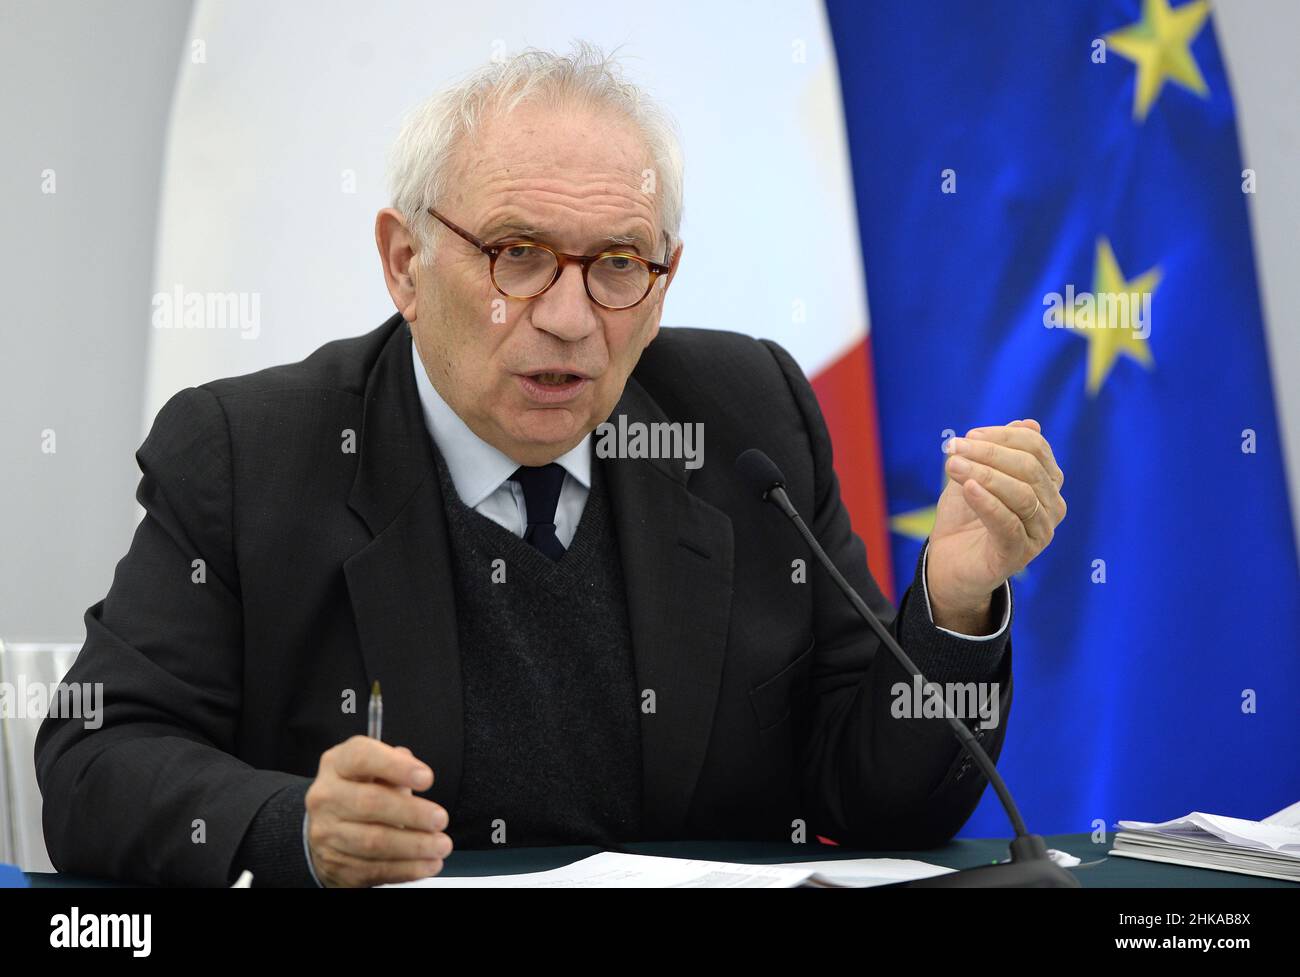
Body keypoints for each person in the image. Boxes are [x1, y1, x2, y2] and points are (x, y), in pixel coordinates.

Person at [36, 43, 1065, 887]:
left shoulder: (746, 416)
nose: (570, 319)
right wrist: (292, 828)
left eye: (618, 263)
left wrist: (954, 599)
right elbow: (95, 761)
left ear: (662, 282)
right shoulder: (249, 452)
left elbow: (883, 797)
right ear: (405, 262)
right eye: (517, 253)